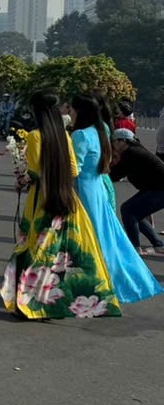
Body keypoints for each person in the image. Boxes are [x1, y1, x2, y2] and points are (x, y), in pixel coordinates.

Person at [1, 90, 121, 319]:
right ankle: (53, 302)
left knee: (32, 251)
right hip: (66, 199)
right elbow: (74, 170)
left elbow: (35, 172)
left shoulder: (36, 136)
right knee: (55, 254)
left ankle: (31, 305)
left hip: (41, 201)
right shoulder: (65, 136)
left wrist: (24, 178)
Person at [70, 96, 162, 303]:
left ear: (80, 112)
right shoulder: (101, 129)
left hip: (84, 189)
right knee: (106, 235)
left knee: (87, 235)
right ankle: (108, 277)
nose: (70, 112)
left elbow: (73, 167)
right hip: (98, 188)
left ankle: (93, 280)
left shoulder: (81, 135)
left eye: (72, 108)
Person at [109, 128, 164, 254]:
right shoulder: (134, 151)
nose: (113, 145)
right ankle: (158, 244)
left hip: (160, 189)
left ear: (123, 141)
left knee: (128, 209)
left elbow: (114, 175)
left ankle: (135, 248)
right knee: (136, 213)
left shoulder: (131, 154)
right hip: (156, 188)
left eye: (114, 142)